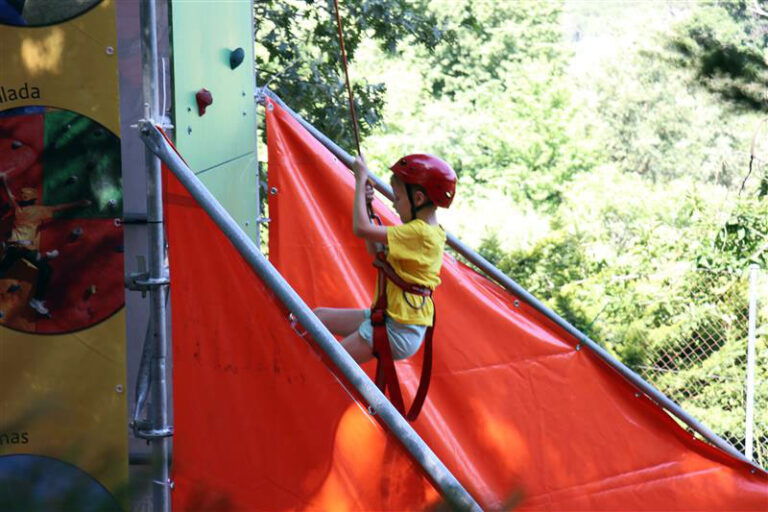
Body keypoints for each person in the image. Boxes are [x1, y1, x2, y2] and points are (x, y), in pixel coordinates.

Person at [313, 153, 457, 365]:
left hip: (399, 328)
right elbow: (377, 252)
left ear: (418, 199)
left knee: (331, 360)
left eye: (397, 198)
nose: (394, 205)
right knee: (316, 318)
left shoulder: (420, 233)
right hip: (392, 319)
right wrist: (365, 204)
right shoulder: (422, 232)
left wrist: (361, 179)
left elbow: (361, 229)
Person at [0, 171, 90, 316]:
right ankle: (37, 300)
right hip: (26, 249)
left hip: (14, 248)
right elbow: (59, 207)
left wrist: (3, 180)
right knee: (46, 270)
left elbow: (9, 194)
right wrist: (79, 203)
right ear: (33, 200)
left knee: (3, 270)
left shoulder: (17, 208)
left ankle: (36, 301)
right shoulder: (39, 210)